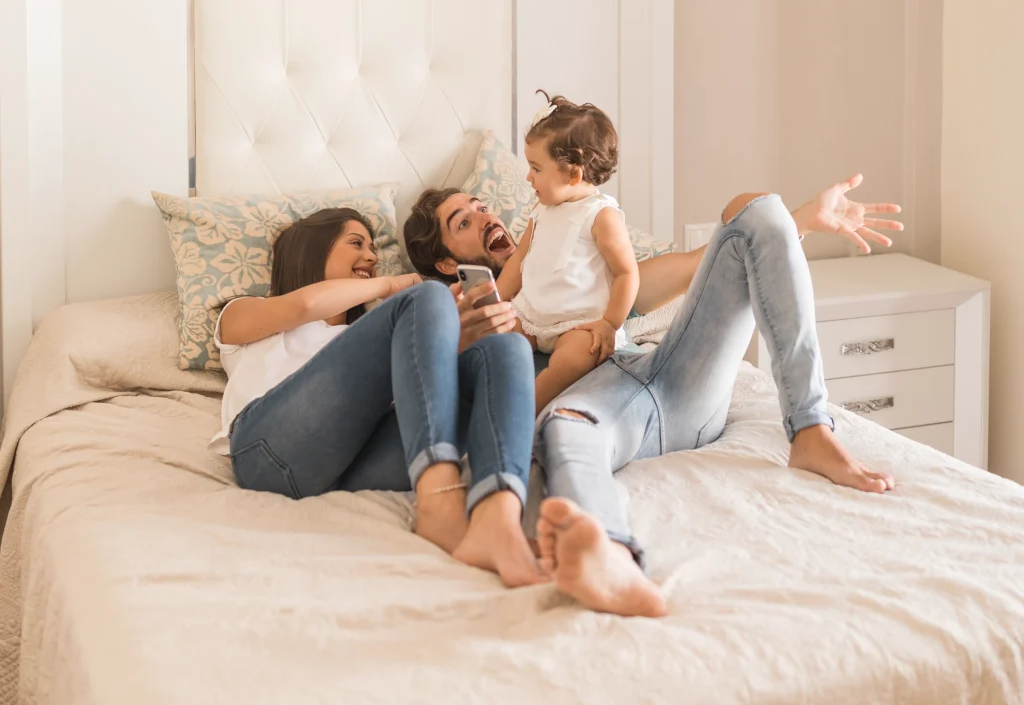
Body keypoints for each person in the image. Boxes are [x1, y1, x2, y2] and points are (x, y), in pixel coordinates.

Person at [404, 175, 903, 617]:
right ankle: (613, 557)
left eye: (481, 205)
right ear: (449, 262)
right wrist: (474, 336)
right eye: (463, 221)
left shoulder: (579, 262)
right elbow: (477, 417)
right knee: (565, 426)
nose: (486, 215)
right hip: (598, 412)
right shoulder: (462, 329)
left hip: (674, 376)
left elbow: (699, 266)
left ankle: (811, 428)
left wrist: (799, 222)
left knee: (756, 207)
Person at [213, 207, 544, 588]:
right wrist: (395, 288)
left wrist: (455, 334)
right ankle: (438, 500)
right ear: (310, 250)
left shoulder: (377, 338)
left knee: (505, 350)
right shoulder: (243, 313)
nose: (372, 257)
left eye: (373, 248)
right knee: (429, 296)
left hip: (350, 468)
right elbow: (304, 306)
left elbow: (420, 406)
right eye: (356, 244)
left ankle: (497, 519)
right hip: (267, 452)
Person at [496, 93, 639, 410]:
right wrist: (497, 302)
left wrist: (609, 324)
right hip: (530, 316)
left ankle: (527, 408)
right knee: (496, 339)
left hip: (577, 324)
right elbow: (519, 260)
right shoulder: (541, 209)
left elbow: (627, 273)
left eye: (536, 168)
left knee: (574, 358)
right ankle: (488, 392)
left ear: (574, 173)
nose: (528, 176)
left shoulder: (601, 215)